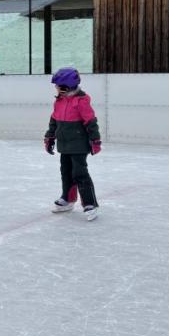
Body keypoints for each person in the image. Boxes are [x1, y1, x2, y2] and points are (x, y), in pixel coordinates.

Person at [44, 67, 102, 221]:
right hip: (64, 144)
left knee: (80, 173)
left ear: (66, 85)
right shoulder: (60, 101)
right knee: (66, 172)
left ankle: (90, 204)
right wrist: (49, 137)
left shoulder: (81, 101)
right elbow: (54, 120)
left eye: (57, 85)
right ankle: (68, 199)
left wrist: (95, 140)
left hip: (79, 144)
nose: (55, 88)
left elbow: (91, 122)